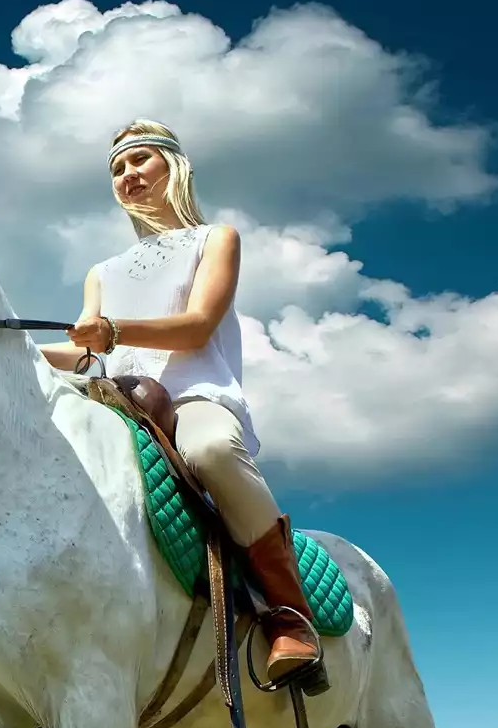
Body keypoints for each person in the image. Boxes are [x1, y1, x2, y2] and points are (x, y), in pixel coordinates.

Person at [40, 120, 321, 686]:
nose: (128, 175)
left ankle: (291, 616)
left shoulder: (216, 239)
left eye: (140, 160)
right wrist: (1, 345)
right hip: (117, 400)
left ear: (175, 167)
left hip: (191, 393)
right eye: (118, 169)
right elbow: (89, 353)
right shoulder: (103, 271)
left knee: (213, 450)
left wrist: (113, 329)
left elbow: (196, 328)